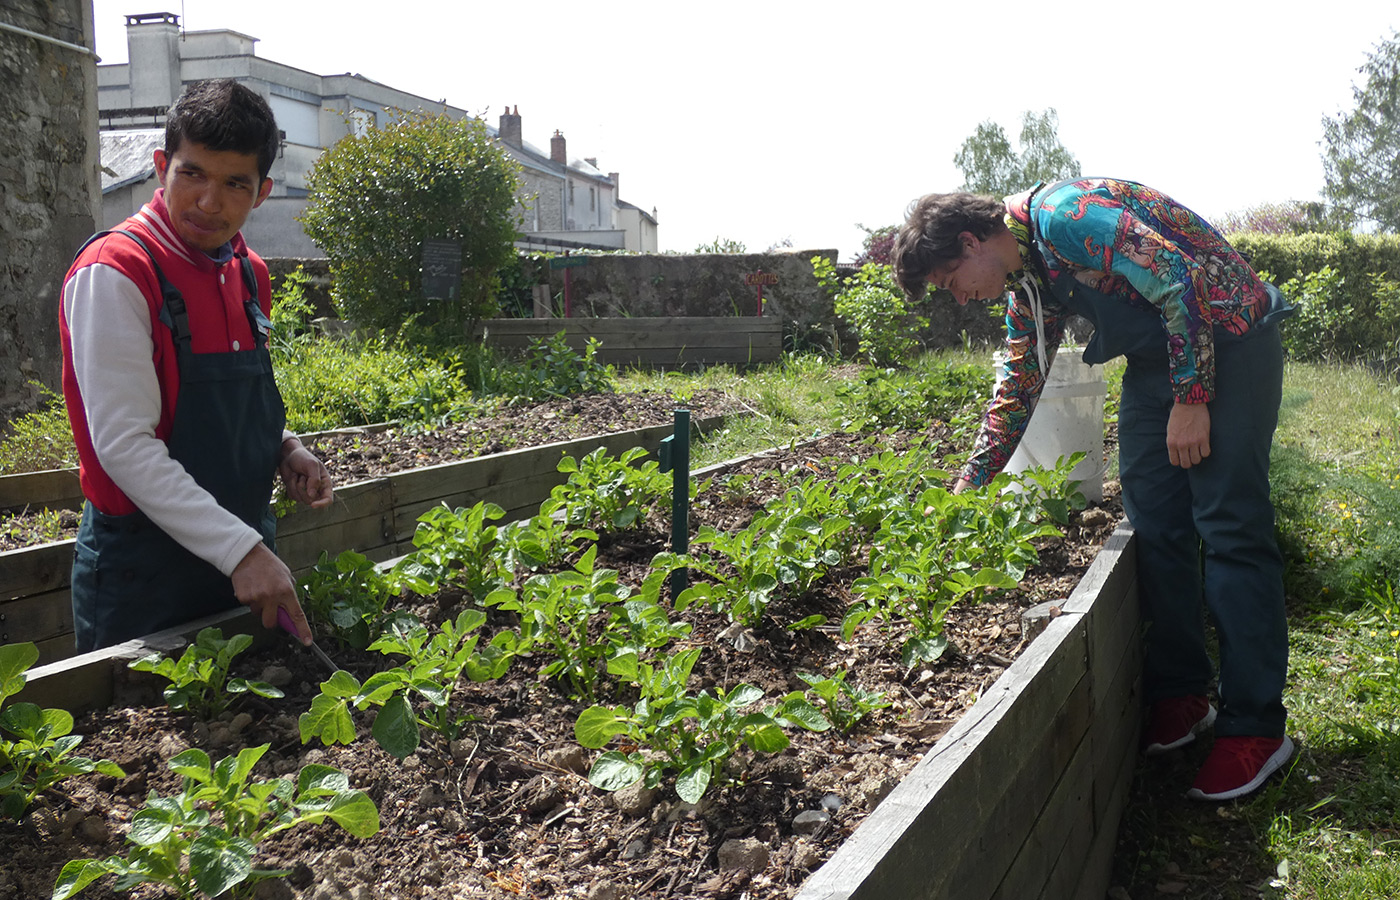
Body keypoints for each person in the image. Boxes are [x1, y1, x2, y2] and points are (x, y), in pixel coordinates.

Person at [892, 177, 1296, 801]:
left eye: (951, 282)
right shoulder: (1027, 274)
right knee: (1154, 517)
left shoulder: (1065, 217)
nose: (962, 298)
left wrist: (1193, 399)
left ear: (971, 241)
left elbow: (1179, 278)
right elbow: (1021, 376)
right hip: (1160, 360)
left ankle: (1258, 728)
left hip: (1233, 341)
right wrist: (970, 481)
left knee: (1228, 523)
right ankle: (1184, 692)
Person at [60, 79, 331, 652]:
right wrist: (242, 550)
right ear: (161, 166)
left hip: (242, 554)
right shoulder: (116, 271)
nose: (210, 202)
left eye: (235, 183)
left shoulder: (248, 272)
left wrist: (285, 446)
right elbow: (126, 445)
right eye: (193, 174)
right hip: (145, 572)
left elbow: (217, 407)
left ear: (262, 193)